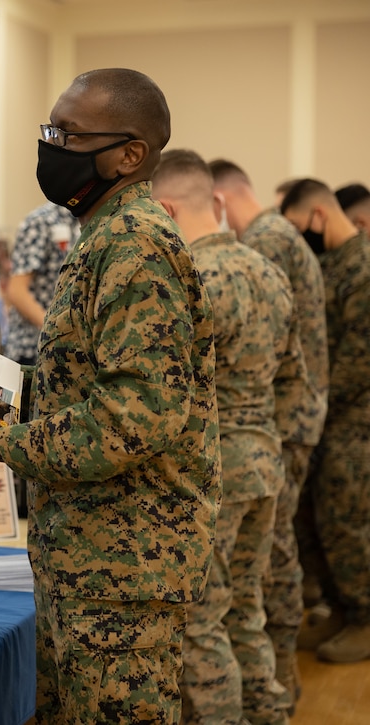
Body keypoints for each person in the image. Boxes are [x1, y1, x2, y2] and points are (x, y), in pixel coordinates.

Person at [0, 68, 220, 724]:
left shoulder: (135, 246)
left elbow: (135, 416)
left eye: (69, 135)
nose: (52, 147)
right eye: (50, 130)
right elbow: (87, 383)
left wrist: (0, 439)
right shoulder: (103, 238)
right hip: (91, 554)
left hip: (126, 566)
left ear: (130, 155)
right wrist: (6, 392)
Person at [153, 150, 308, 724]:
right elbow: (294, 378)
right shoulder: (268, 270)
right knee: (246, 611)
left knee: (202, 621)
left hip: (214, 474)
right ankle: (270, 714)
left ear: (165, 208)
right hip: (265, 462)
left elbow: (168, 397)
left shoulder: (189, 280)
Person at [209, 158, 328, 709]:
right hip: (276, 429)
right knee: (268, 561)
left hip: (266, 432)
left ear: (220, 200)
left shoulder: (262, 245)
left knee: (267, 564)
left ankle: (276, 685)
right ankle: (275, 688)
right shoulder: (276, 237)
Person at [281, 178, 370, 663]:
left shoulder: (364, 264)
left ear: (319, 215)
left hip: (354, 422)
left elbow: (359, 358)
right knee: (318, 522)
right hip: (326, 420)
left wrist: (316, 400)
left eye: (299, 227)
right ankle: (341, 607)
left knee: (348, 524)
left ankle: (365, 617)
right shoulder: (331, 264)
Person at [2, 201, 77, 367]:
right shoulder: (40, 221)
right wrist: (56, 333)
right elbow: (16, 291)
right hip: (32, 347)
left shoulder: (83, 222)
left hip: (64, 348)